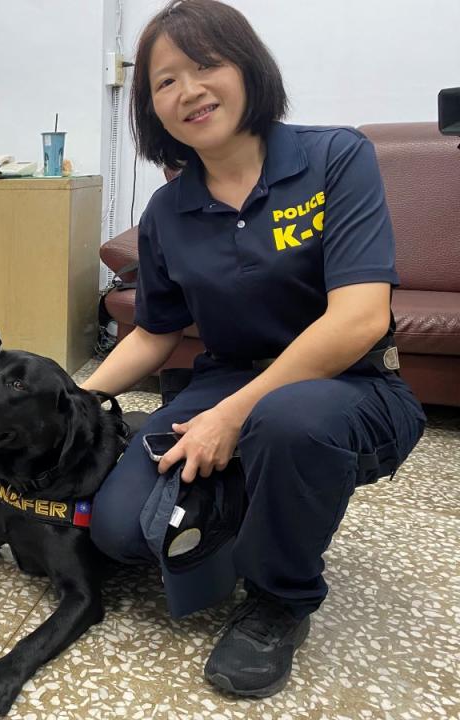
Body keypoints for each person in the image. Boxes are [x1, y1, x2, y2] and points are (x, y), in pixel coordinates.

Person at [82, 0, 426, 699]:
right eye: (165, 81)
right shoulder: (167, 211)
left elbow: (360, 320)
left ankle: (281, 599)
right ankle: (264, 504)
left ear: (248, 67)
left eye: (205, 64)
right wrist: (75, 396)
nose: (189, 90)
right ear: (151, 108)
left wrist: (231, 417)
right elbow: (156, 330)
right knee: (118, 534)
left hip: (352, 387)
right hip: (227, 380)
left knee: (288, 423)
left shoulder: (334, 157)